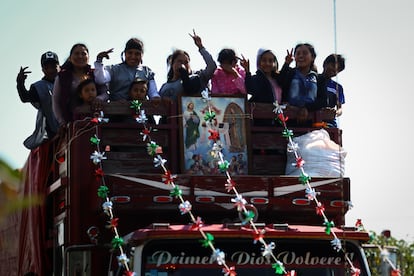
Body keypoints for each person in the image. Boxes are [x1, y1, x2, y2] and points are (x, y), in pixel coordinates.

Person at [52, 43, 106, 127]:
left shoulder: (94, 74)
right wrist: (62, 122)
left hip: (95, 120)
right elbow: (56, 101)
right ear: (70, 58)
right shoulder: (62, 77)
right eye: (76, 54)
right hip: (71, 123)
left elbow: (105, 93)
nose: (80, 56)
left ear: (88, 57)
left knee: (94, 139)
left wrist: (99, 98)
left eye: (83, 54)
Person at [16, 51, 60, 149]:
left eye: (53, 66)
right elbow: (25, 98)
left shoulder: (69, 82)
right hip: (55, 134)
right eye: (47, 67)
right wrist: (20, 83)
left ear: (59, 66)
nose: (51, 70)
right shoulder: (39, 87)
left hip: (75, 127)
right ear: (42, 69)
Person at [94, 38, 160, 102]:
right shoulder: (114, 69)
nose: (133, 56)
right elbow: (101, 80)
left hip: (141, 111)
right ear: (125, 53)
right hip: (117, 110)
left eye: (137, 54)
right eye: (130, 53)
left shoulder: (147, 72)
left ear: (142, 55)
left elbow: (153, 93)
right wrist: (99, 60)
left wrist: (156, 98)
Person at [159, 30, 216, 101]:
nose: (182, 65)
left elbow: (212, 67)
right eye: (179, 61)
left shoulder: (198, 78)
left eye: (186, 62)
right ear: (172, 64)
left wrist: (201, 47)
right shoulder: (164, 87)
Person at [279, 43, 326, 125]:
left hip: (311, 122)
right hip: (289, 121)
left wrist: (307, 108)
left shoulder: (319, 78)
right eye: (298, 53)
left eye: (305, 53)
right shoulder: (290, 73)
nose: (301, 56)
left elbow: (323, 100)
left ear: (313, 57)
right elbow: (280, 82)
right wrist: (286, 64)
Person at [318, 54, 346, 127]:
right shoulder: (313, 79)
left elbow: (339, 109)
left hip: (329, 123)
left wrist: (334, 113)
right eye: (333, 65)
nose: (334, 70)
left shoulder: (338, 87)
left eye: (338, 70)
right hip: (311, 120)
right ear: (325, 64)